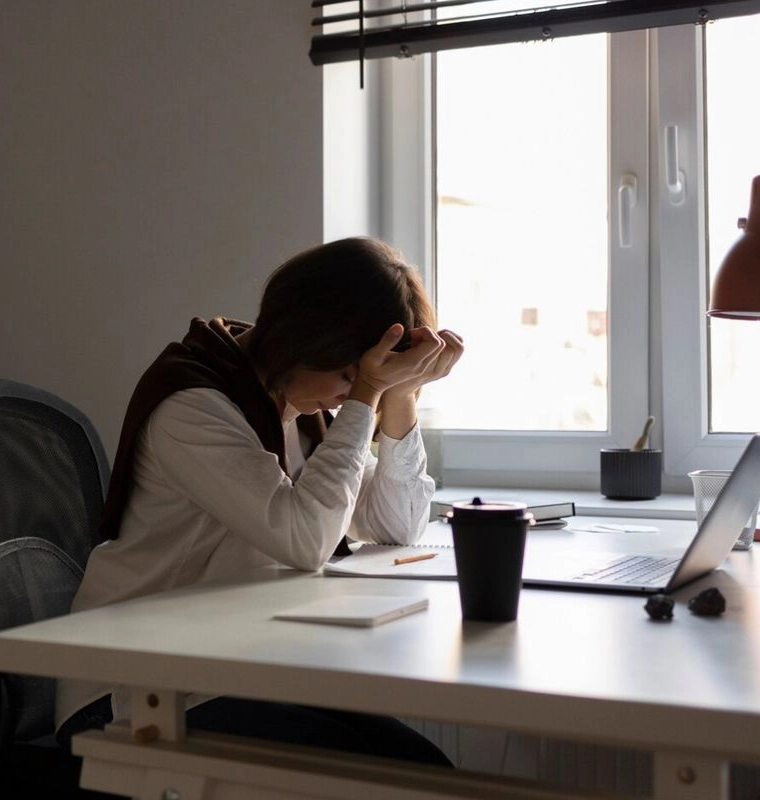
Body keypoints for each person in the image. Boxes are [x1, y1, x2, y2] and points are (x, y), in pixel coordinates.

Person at [55, 237, 464, 765]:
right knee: (392, 778)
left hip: (229, 668)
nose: (349, 394)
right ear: (307, 337)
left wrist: (400, 394)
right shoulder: (194, 404)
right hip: (132, 689)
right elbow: (304, 540)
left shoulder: (302, 408)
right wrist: (366, 398)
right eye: (348, 374)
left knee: (424, 770)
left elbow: (394, 525)